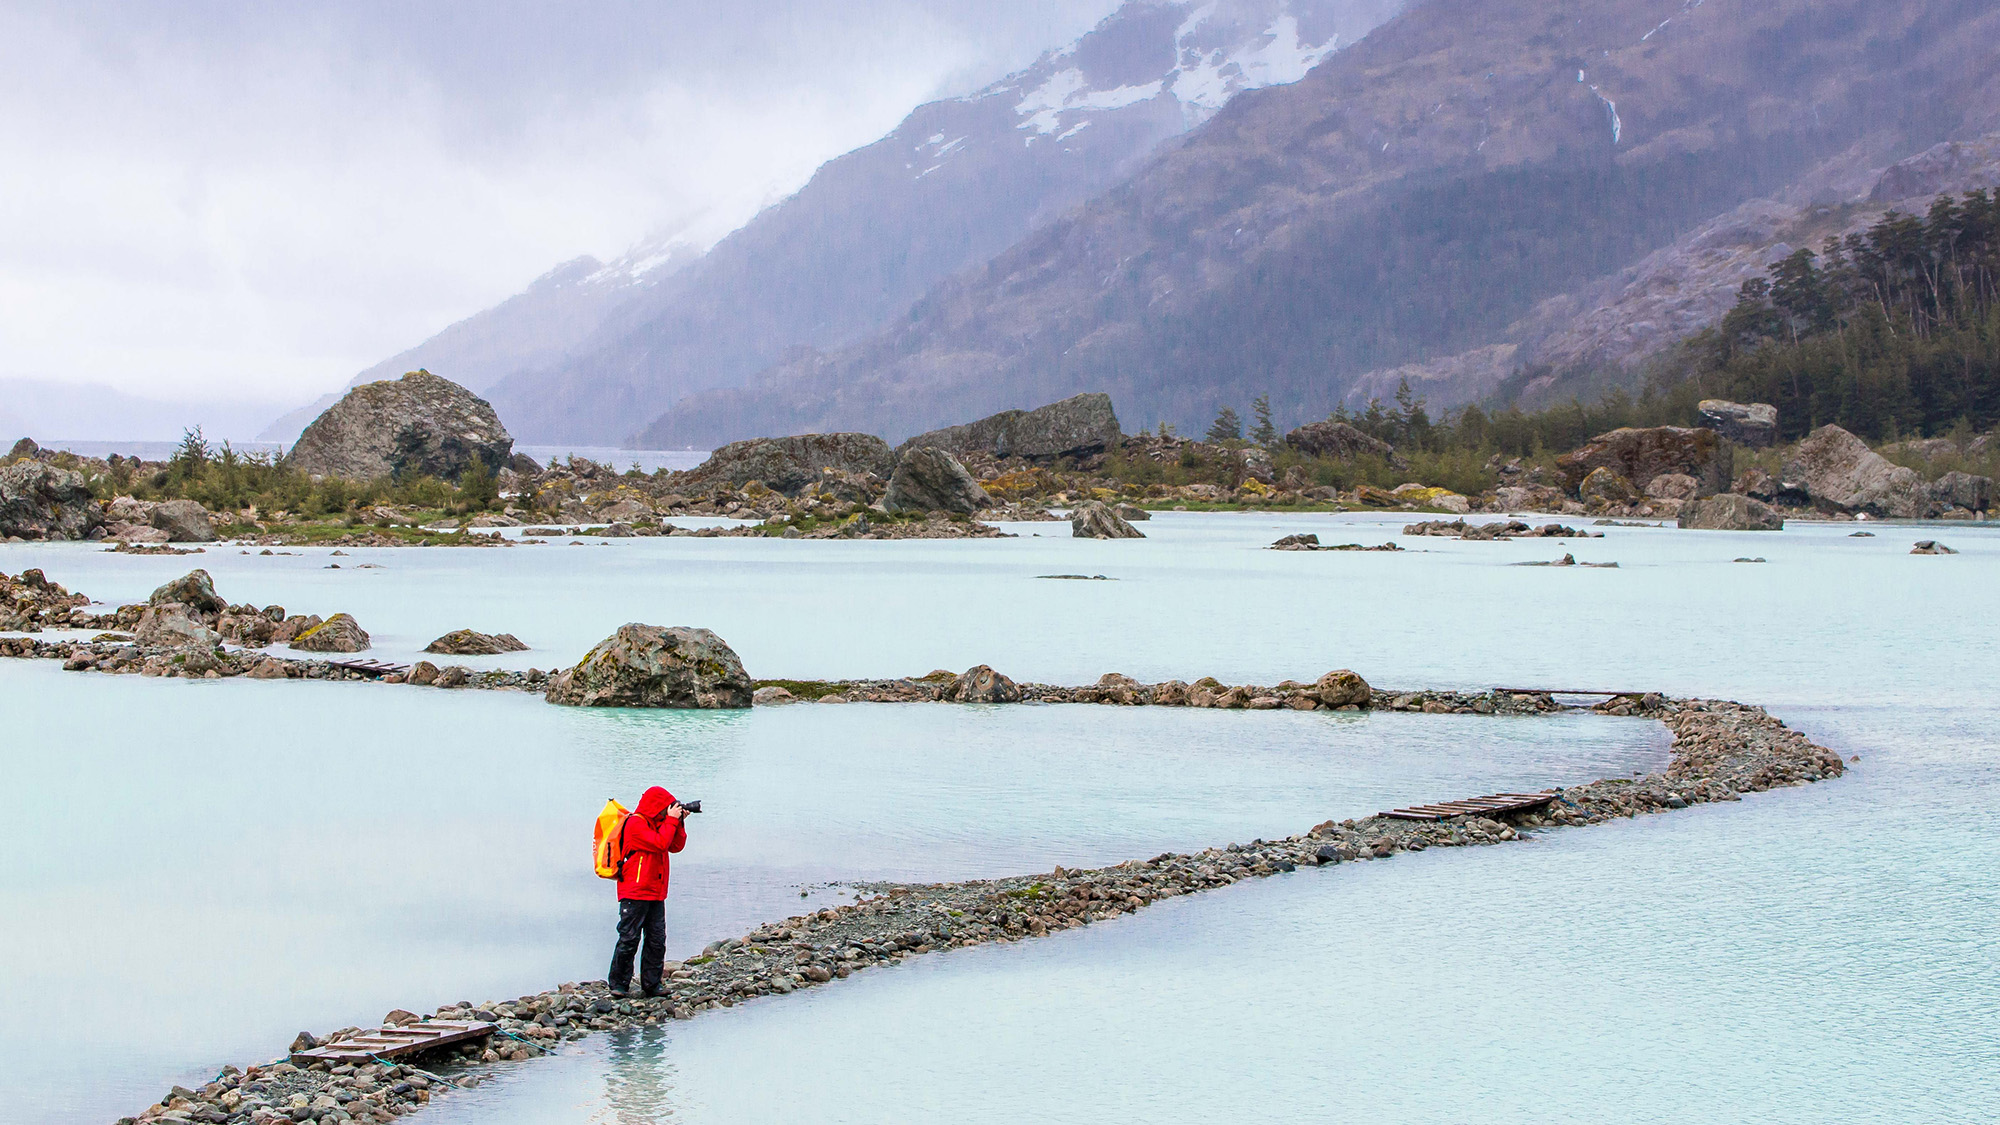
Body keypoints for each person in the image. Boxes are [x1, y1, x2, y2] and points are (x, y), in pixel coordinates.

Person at [608, 785, 688, 998]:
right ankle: (619, 984)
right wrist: (671, 820)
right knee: (629, 938)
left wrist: (678, 823)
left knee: (656, 940)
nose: (668, 811)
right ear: (657, 806)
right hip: (634, 891)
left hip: (656, 892)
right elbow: (660, 844)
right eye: (667, 807)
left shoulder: (660, 824)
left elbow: (675, 846)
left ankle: (652, 984)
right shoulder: (636, 823)